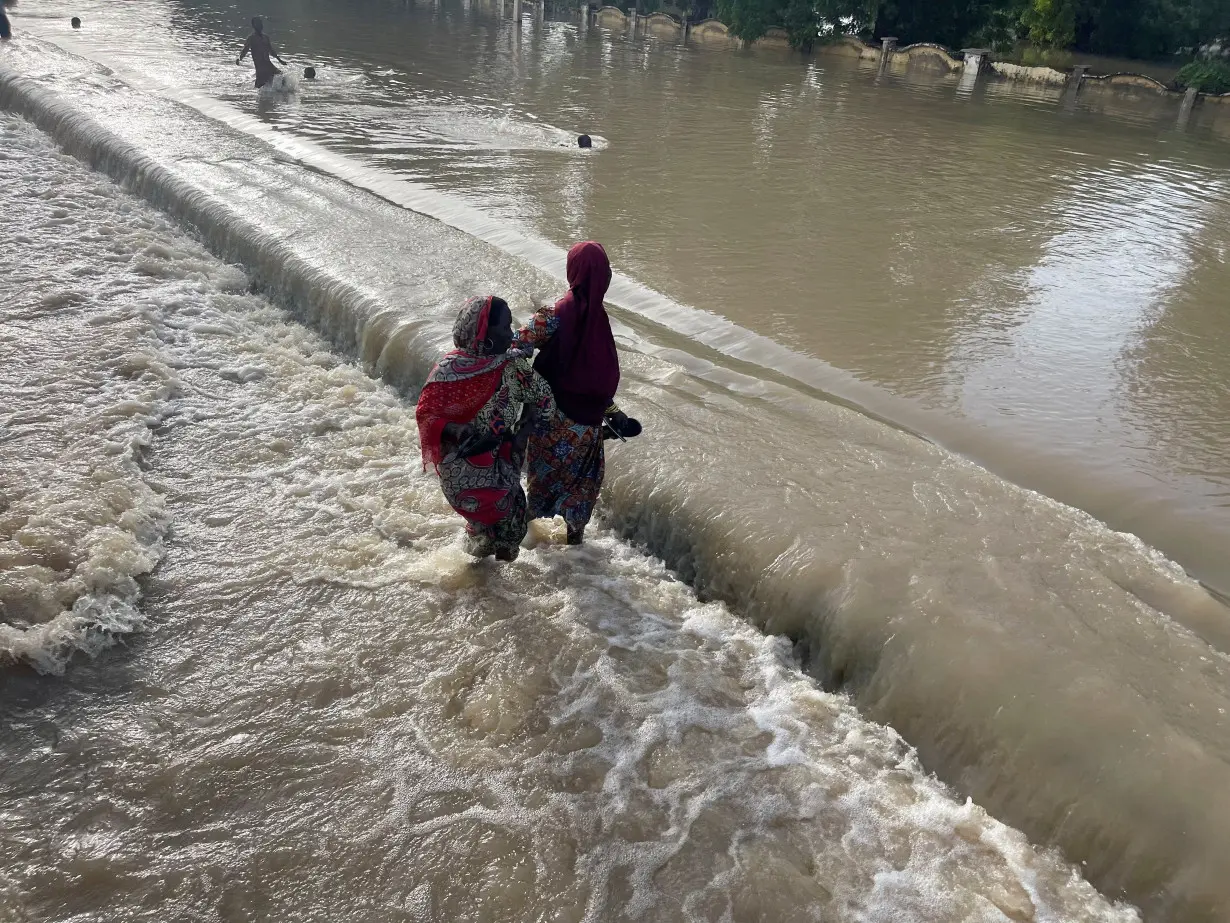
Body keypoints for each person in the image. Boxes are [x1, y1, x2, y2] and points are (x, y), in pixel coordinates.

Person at [513, 241, 636, 546]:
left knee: (542, 483)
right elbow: (593, 379)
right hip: (586, 428)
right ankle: (575, 549)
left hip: (550, 421)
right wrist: (611, 412)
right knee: (582, 488)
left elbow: (517, 349)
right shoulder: (598, 322)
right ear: (603, 278)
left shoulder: (554, 315)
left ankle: (510, 540)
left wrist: (533, 391)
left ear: (574, 272)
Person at [416, 296, 555, 562]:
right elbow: (426, 415)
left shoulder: (508, 367)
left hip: (499, 461)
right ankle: (494, 590)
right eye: (503, 327)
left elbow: (544, 399)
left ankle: (485, 582)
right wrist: (460, 432)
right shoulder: (449, 372)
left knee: (498, 526)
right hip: (462, 470)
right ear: (483, 333)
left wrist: (520, 437)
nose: (511, 333)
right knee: (508, 523)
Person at [237, 17, 286, 89]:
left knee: (282, 78)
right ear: (253, 26)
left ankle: (279, 94)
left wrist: (280, 60)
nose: (260, 25)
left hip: (268, 64)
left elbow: (271, 51)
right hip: (260, 67)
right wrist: (239, 58)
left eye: (261, 23)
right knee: (259, 88)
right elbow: (245, 50)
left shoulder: (266, 37)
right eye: (258, 24)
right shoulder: (251, 38)